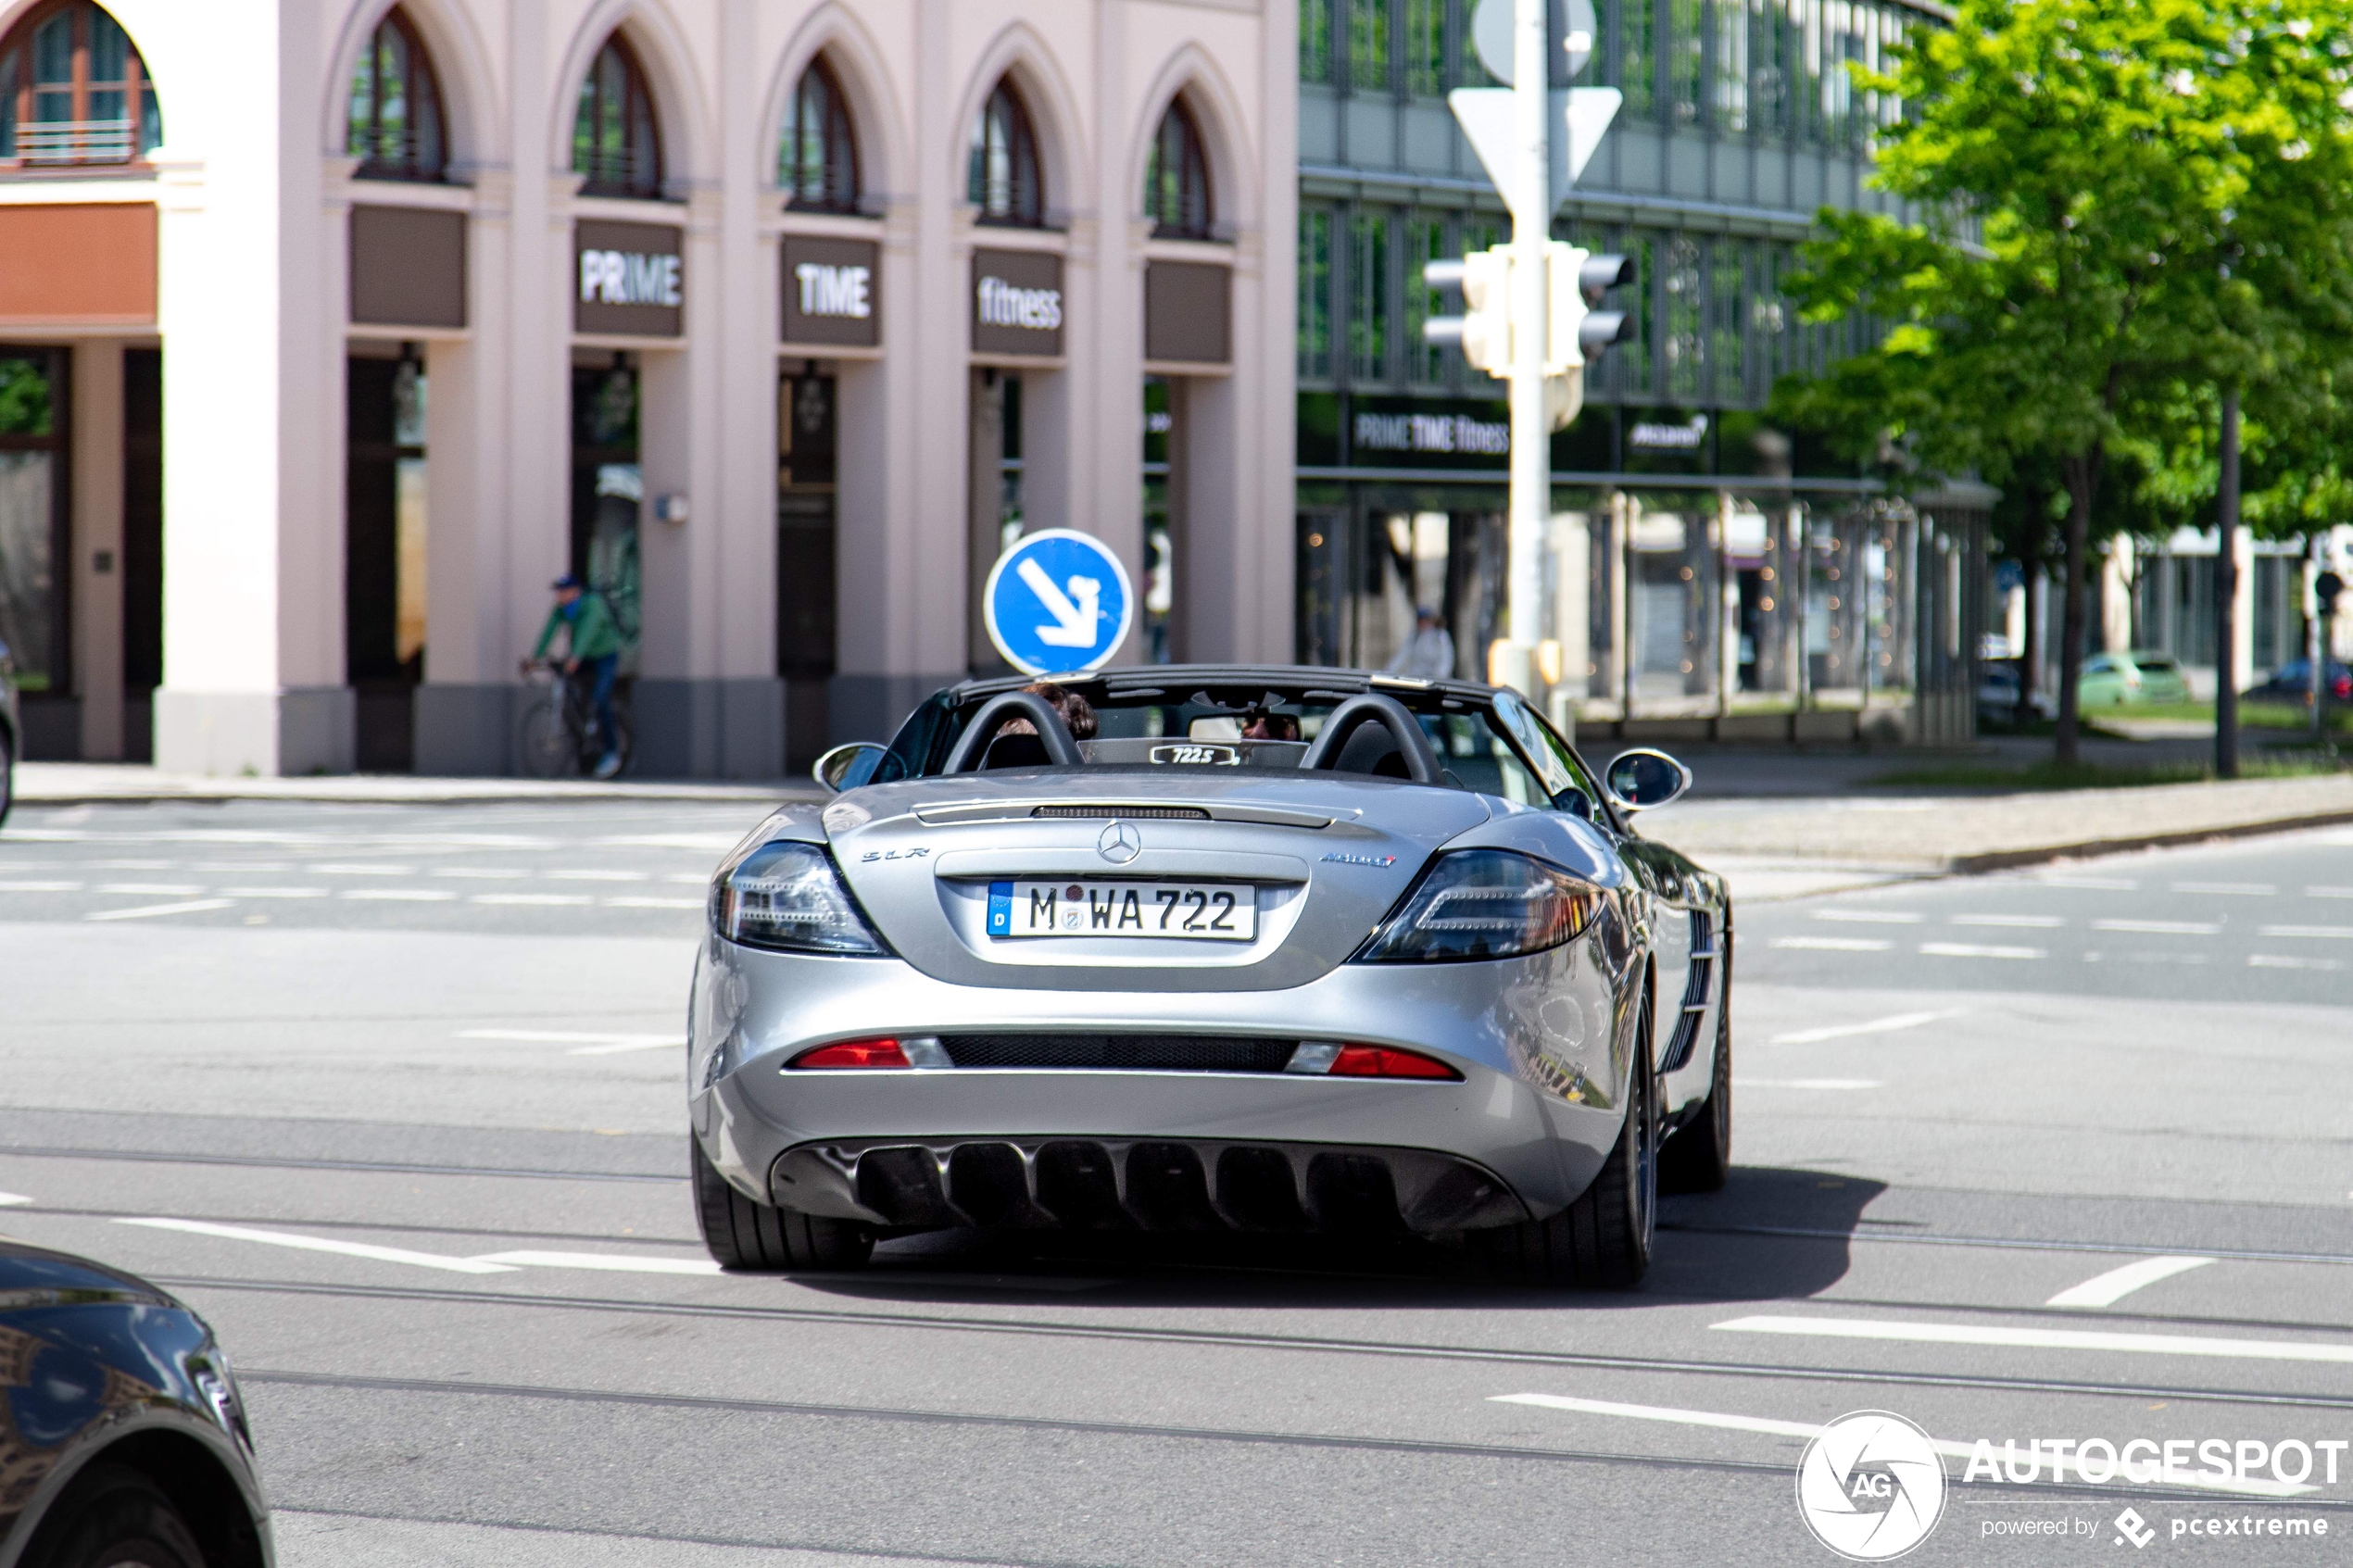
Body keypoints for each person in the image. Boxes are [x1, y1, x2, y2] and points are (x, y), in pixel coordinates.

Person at [527, 573, 625, 778]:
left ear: (575, 592)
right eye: (558, 592)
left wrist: (575, 657)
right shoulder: (562, 609)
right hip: (585, 655)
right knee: (569, 685)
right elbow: (549, 630)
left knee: (600, 699)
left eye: (563, 591)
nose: (559, 596)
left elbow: (587, 631)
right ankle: (581, 721)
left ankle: (611, 752)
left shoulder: (593, 605)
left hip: (605, 654)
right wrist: (534, 658)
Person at [1385, 607, 1455, 681]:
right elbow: (1402, 655)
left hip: (1436, 678)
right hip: (1417, 677)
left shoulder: (1440, 636)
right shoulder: (1414, 636)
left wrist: (1440, 675)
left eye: (1424, 620)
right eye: (1420, 621)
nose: (1422, 623)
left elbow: (1446, 658)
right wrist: (1389, 671)